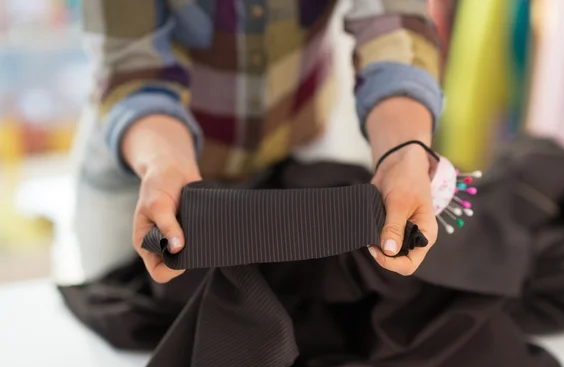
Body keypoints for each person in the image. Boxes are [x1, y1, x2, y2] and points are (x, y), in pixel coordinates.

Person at [78, 0, 443, 284]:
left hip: (295, 147)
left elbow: (394, 27)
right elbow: (133, 66)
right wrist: (163, 163)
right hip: (147, 170)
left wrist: (401, 150)